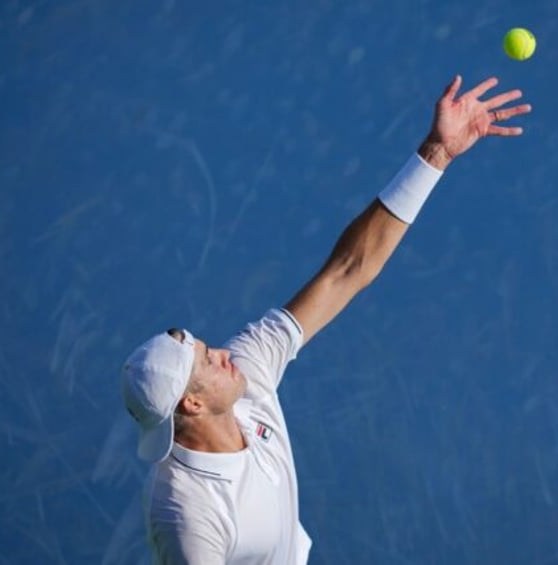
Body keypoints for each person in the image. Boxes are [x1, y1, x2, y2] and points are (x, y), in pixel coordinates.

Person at [121, 74, 531, 564]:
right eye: (210, 361)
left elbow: (346, 272)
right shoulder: (186, 515)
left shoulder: (246, 375)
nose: (226, 354)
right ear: (191, 402)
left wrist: (435, 154)